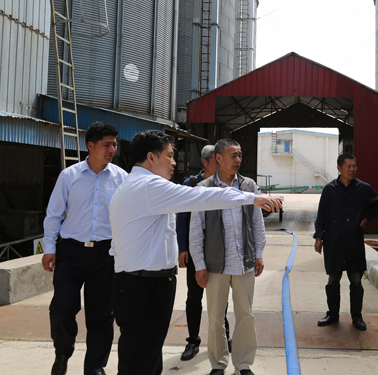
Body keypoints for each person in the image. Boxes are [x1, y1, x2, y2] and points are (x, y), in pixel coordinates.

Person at [109, 131, 281, 375]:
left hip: (136, 281)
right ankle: (218, 362)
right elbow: (202, 197)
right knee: (142, 354)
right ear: (151, 157)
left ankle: (242, 363)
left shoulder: (130, 185)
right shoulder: (150, 186)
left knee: (141, 352)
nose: (173, 162)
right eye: (169, 156)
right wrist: (252, 198)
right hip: (144, 285)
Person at [42, 122, 127, 375]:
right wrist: (49, 248)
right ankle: (62, 353)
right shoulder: (69, 176)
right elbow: (54, 214)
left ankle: (95, 367)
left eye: (114, 144)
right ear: (90, 146)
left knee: (101, 315)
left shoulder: (122, 178)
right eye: (106, 144)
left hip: (106, 254)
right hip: (71, 253)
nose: (112, 149)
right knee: (62, 307)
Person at [188, 139, 265, 375]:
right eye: (233, 155)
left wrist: (259, 254)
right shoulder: (204, 188)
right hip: (215, 266)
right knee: (215, 318)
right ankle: (218, 363)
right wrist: (199, 265)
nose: (238, 160)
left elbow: (257, 223)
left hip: (244, 263)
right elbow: (196, 231)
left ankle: (243, 364)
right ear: (218, 158)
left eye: (240, 155)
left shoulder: (249, 185)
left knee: (245, 315)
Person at [313, 153, 378, 331]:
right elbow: (321, 214)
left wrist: (367, 217)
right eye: (348, 166)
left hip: (354, 242)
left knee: (356, 281)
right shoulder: (329, 190)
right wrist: (319, 237)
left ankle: (357, 317)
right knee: (333, 280)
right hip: (334, 241)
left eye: (354, 166)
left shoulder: (363, 189)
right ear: (339, 168)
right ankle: (332, 314)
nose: (352, 169)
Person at [176, 145, 231, 361]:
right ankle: (193, 340)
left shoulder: (224, 184)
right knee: (194, 296)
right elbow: (182, 217)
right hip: (195, 250)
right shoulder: (191, 185)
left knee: (220, 296)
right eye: (217, 161)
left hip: (218, 251)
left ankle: (224, 336)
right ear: (206, 162)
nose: (221, 164)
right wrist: (182, 248)